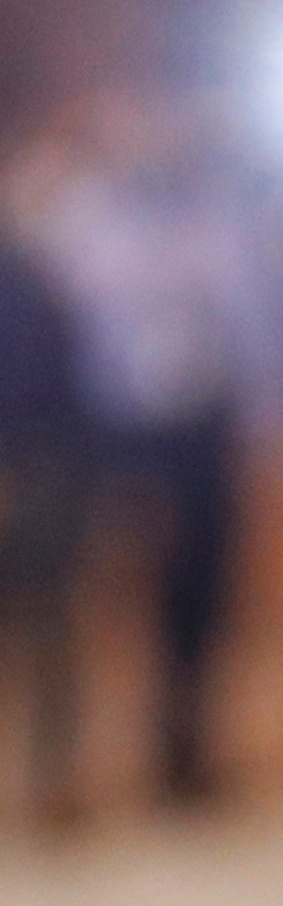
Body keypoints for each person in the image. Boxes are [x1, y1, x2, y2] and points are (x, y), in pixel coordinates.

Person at [17, 85, 263, 806]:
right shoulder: (71, 214)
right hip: (100, 428)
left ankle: (181, 743)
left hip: (199, 424)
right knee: (81, 592)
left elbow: (257, 320)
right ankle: (62, 764)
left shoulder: (219, 212)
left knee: (196, 588)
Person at [0, 230, 89, 828]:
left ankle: (52, 779)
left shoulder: (24, 275)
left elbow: (51, 373)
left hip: (31, 464)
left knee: (46, 624)